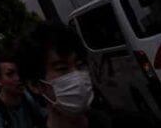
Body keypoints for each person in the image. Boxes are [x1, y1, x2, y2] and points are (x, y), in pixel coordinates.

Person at [16, 21, 157, 128]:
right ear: (35, 85)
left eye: (80, 65)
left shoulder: (131, 123)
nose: (77, 76)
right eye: (62, 68)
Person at [0, 54, 45, 128]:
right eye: (10, 74)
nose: (18, 78)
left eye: (20, 72)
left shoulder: (27, 97)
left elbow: (43, 116)